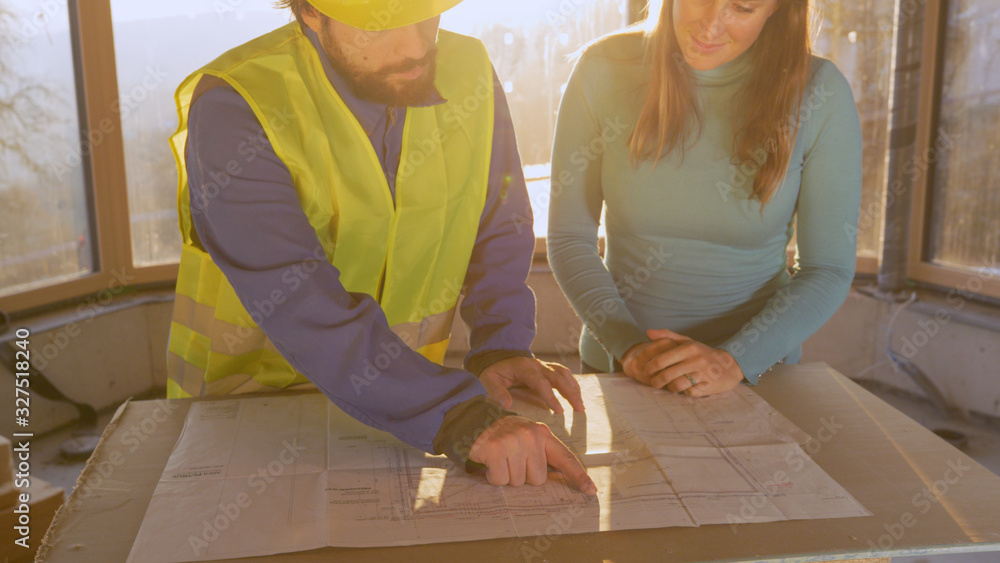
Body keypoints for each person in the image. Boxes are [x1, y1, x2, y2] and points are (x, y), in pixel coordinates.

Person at [166, 0, 596, 494]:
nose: (414, 47)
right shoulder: (237, 104)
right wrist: (454, 413)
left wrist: (500, 342)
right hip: (247, 411)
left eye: (426, 14)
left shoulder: (469, 68)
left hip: (401, 406)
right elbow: (293, 292)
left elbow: (499, 217)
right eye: (379, 27)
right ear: (310, 12)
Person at [548, 0, 862, 397]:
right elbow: (569, 238)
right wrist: (629, 347)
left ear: (776, 9)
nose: (710, 26)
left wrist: (732, 361)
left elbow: (828, 268)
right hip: (620, 367)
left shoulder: (820, 91)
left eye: (742, 8)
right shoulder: (603, 67)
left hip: (755, 374)